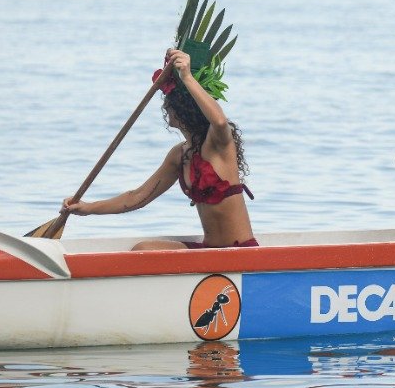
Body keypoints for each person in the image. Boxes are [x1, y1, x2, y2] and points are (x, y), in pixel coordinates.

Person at [62, 48, 255, 249]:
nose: (165, 108)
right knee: (143, 250)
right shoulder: (179, 156)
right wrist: (88, 208)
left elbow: (220, 122)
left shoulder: (218, 144)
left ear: (182, 109)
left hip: (240, 251)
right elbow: (137, 197)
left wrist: (187, 77)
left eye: (168, 104)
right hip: (209, 252)